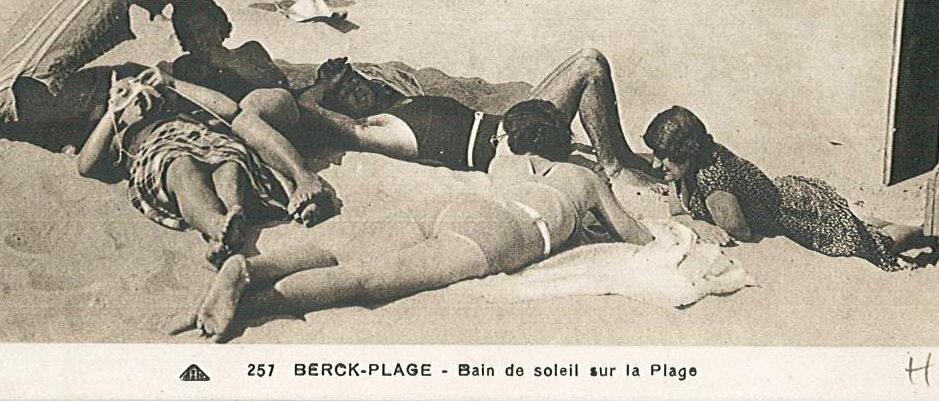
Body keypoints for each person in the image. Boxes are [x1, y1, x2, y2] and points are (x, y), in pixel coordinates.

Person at [167, 141, 656, 341]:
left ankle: (250, 267)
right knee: (369, 280)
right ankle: (255, 302)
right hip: (503, 231)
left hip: (457, 205)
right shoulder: (581, 177)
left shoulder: (509, 162)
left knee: (344, 249)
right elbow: (632, 232)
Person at [297, 49, 660, 185]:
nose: (355, 90)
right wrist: (319, 89)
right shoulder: (381, 129)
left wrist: (336, 79)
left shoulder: (398, 103)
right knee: (589, 65)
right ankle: (615, 166)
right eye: (343, 93)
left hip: (513, 121)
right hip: (516, 143)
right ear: (338, 107)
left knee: (587, 58)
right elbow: (322, 115)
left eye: (354, 80)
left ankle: (621, 156)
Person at [642, 106, 934, 270]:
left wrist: (697, 222)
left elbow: (740, 232)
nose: (656, 165)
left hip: (801, 218)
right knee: (857, 221)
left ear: (687, 153)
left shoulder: (713, 183)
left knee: (875, 244)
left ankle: (919, 229)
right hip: (788, 193)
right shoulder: (690, 163)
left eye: (663, 156)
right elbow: (678, 210)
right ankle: (891, 223)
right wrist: (694, 221)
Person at [77, 69, 295, 267]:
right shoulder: (122, 135)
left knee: (229, 159)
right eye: (129, 94)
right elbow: (86, 166)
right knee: (181, 165)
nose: (137, 96)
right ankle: (216, 225)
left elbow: (229, 109)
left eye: (141, 86)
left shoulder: (176, 110)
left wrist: (172, 83)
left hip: (206, 143)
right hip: (163, 156)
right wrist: (114, 110)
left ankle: (229, 222)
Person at [167, 0, 334, 222]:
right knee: (243, 145)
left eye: (204, 30)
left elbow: (275, 80)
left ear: (221, 26)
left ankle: (305, 177)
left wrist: (226, 61)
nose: (200, 40)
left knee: (245, 115)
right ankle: (301, 201)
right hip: (245, 134)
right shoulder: (185, 67)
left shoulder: (248, 50)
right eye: (191, 36)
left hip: (276, 108)